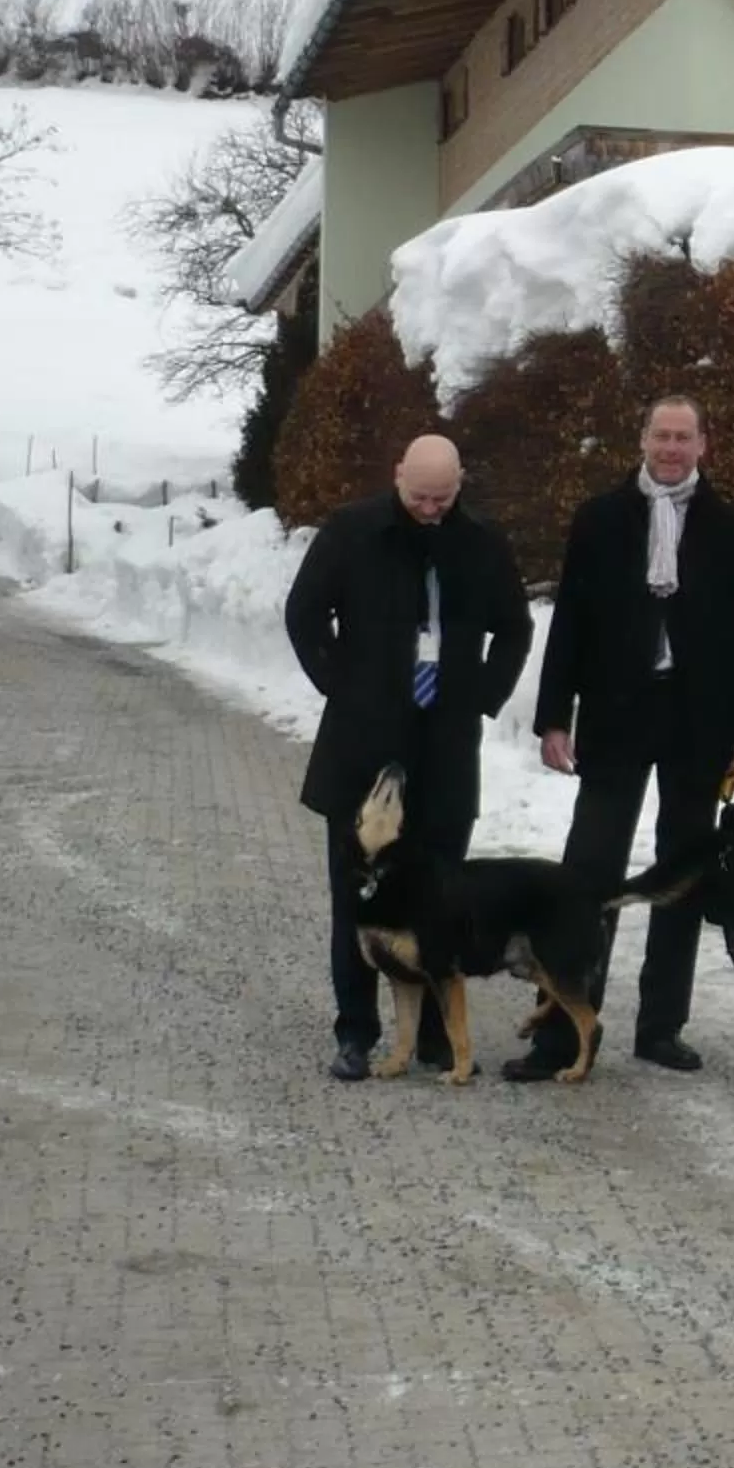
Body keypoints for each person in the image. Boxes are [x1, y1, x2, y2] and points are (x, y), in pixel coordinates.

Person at [511, 395, 734, 1079]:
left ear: (702, 446)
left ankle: (662, 1025)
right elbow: (569, 620)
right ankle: (564, 1031)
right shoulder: (600, 520)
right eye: (662, 435)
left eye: (684, 437)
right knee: (588, 868)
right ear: (643, 440)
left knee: (681, 871)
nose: (671, 448)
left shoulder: (729, 529)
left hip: (699, 718)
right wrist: (554, 715)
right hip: (616, 711)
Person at [282, 434, 532, 1082]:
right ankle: (356, 1034)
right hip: (363, 745)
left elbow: (514, 627)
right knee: (358, 900)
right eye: (419, 496)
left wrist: (483, 693)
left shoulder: (481, 542)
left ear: (460, 484)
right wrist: (341, 687)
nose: (429, 508)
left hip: (446, 748)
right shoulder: (351, 531)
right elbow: (304, 614)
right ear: (397, 477)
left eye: (442, 497)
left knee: (442, 898)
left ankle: (431, 1041)